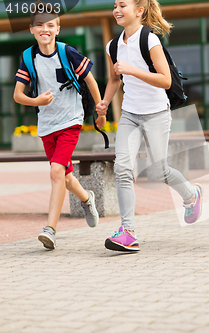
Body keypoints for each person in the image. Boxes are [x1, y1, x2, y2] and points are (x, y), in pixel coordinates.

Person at [96, 0, 203, 252]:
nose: (117, 10)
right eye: (114, 6)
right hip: (130, 114)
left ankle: (190, 195)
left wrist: (132, 70)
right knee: (122, 167)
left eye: (122, 5)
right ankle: (128, 231)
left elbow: (165, 80)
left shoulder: (150, 40)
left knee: (160, 170)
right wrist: (104, 101)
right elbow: (115, 78)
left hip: (156, 113)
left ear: (139, 11)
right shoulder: (113, 45)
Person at [13, 1, 105, 250]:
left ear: (58, 28)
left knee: (55, 172)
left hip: (70, 121)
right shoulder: (28, 57)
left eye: (50, 25)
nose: (45, 29)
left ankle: (50, 229)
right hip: (46, 124)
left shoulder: (68, 52)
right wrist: (36, 100)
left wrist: (100, 110)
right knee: (63, 175)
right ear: (32, 29)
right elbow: (18, 95)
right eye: (40, 25)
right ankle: (87, 199)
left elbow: (91, 80)